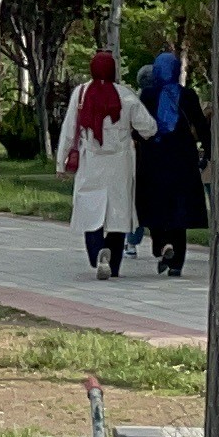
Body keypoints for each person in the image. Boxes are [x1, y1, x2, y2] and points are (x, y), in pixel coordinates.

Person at [62, 51, 155, 278]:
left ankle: (97, 254)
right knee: (118, 212)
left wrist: (61, 162)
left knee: (91, 210)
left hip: (90, 162)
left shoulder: (81, 94)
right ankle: (112, 263)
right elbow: (149, 127)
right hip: (120, 164)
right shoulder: (127, 96)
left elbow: (68, 130)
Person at [133, 51, 208, 279]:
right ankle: (177, 263)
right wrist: (210, 151)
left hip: (153, 159)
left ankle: (161, 245)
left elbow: (138, 127)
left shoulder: (147, 95)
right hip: (182, 159)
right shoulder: (188, 96)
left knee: (155, 205)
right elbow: (201, 126)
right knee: (179, 210)